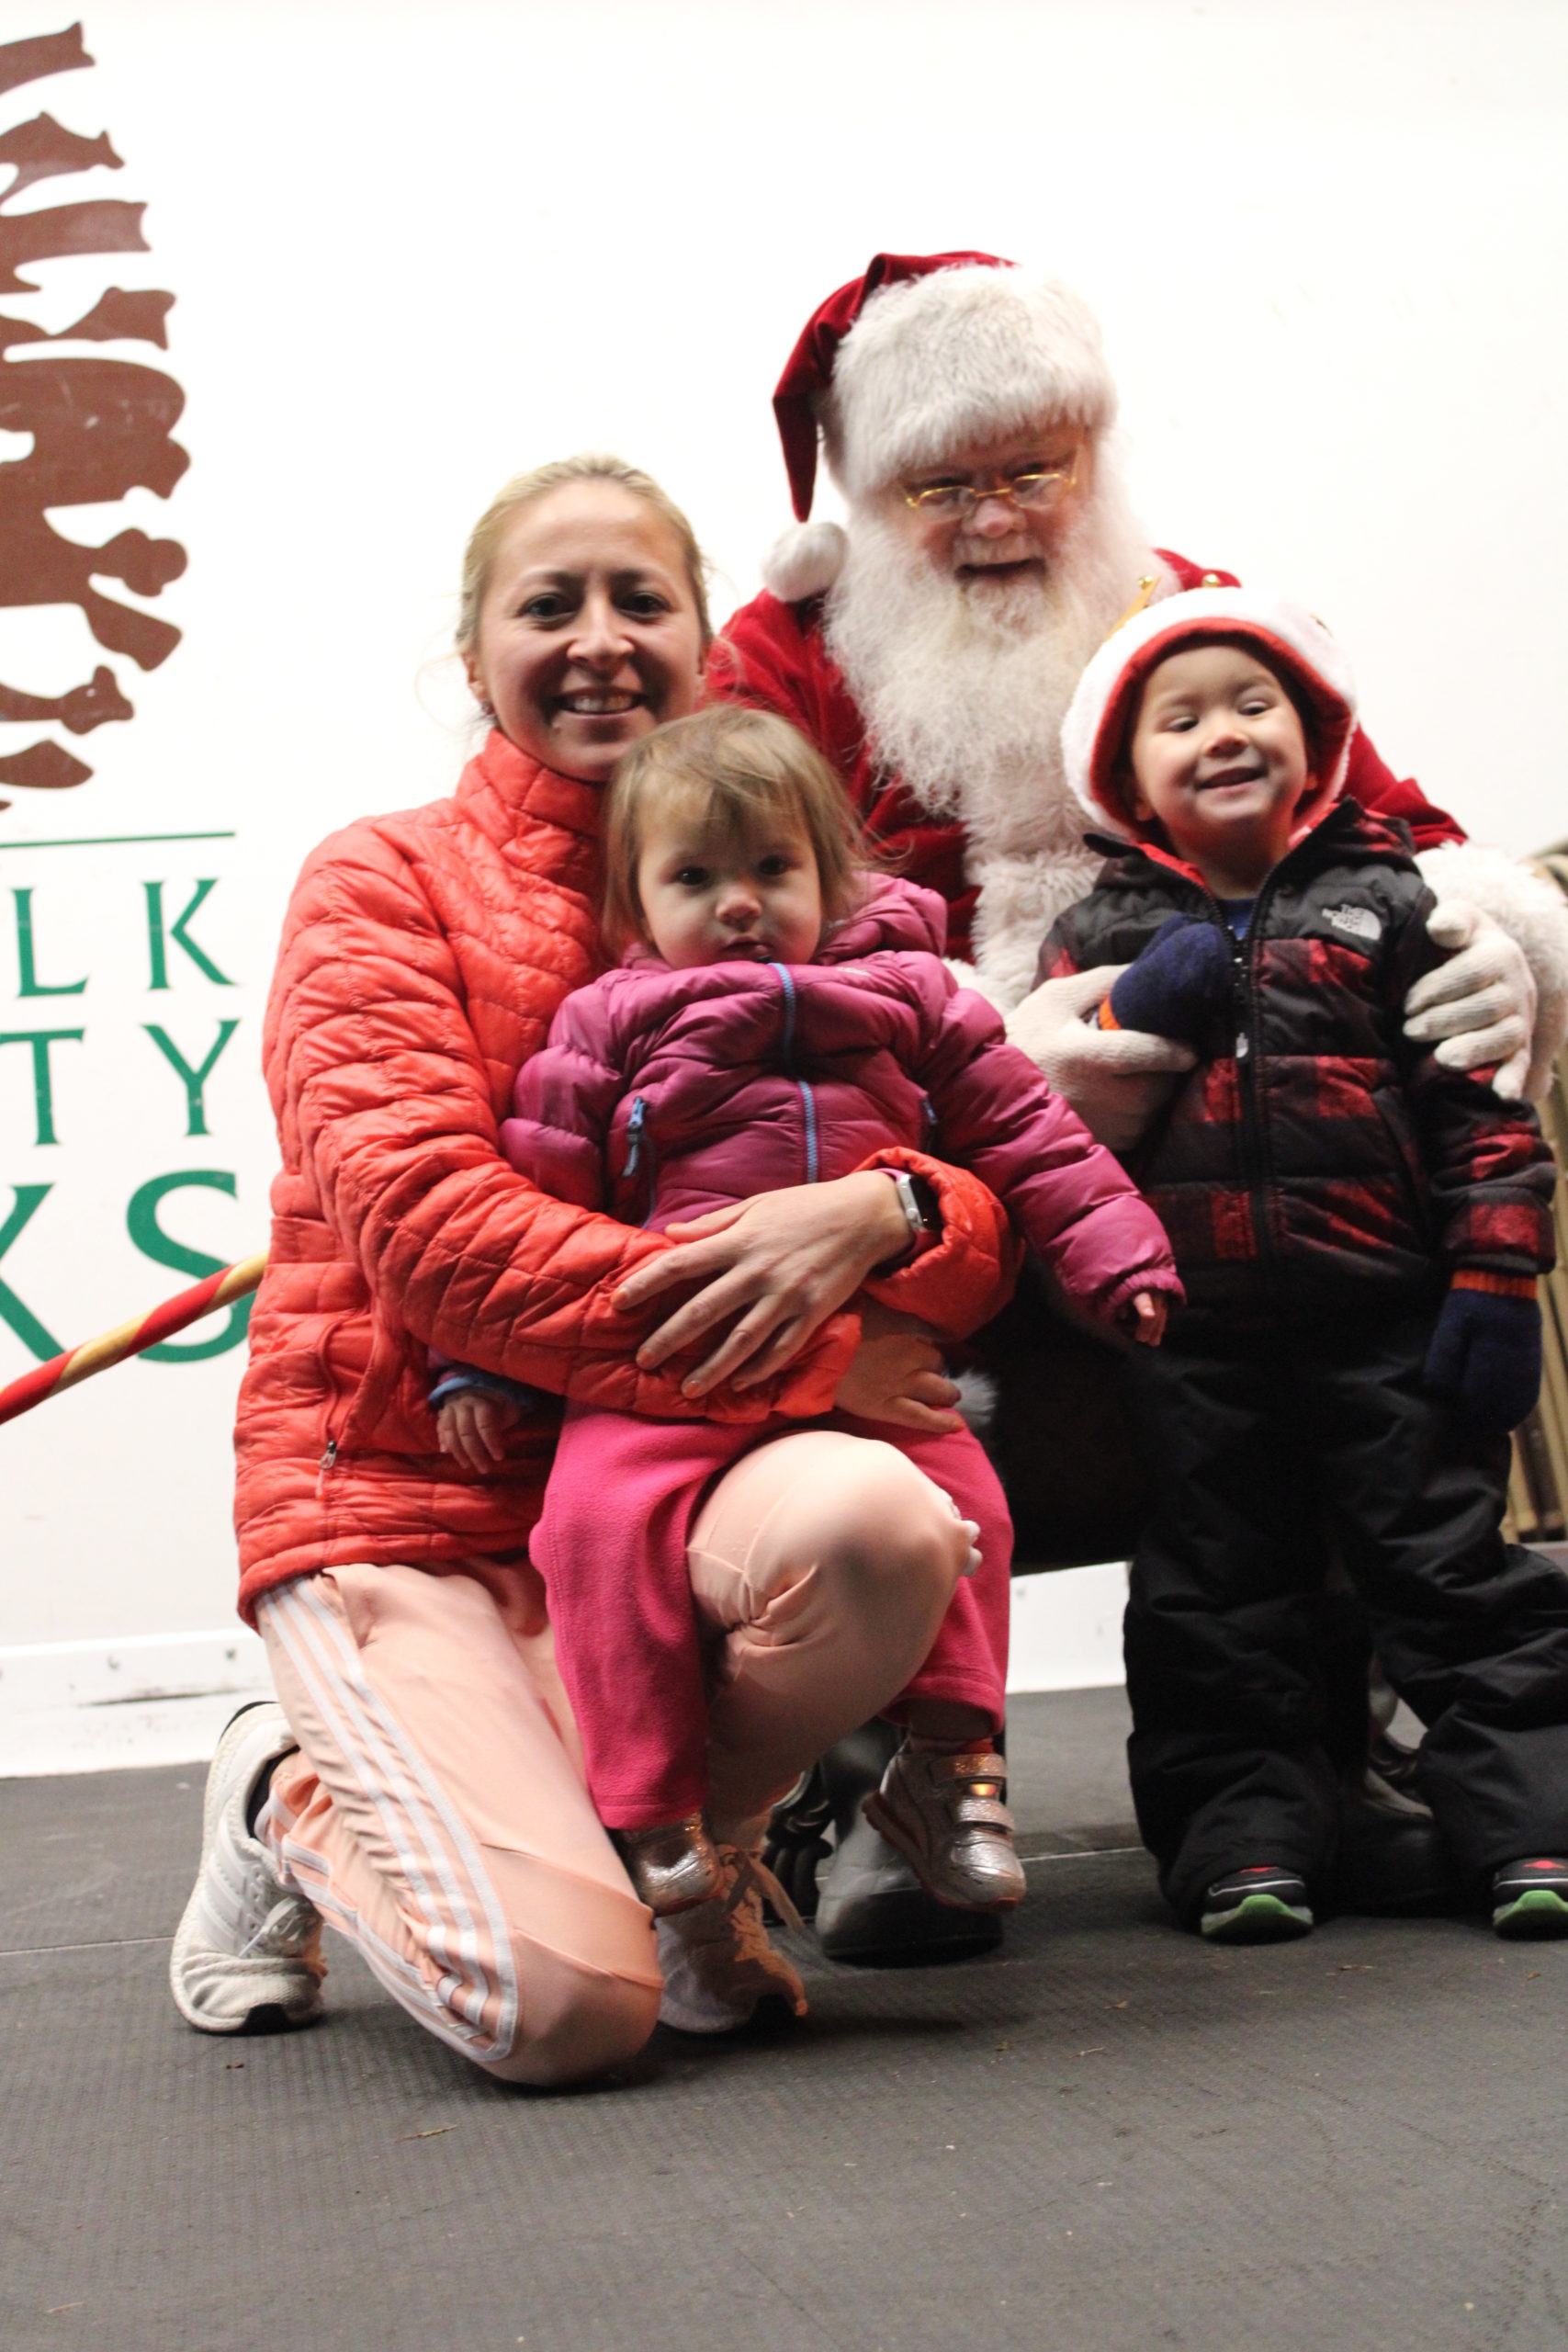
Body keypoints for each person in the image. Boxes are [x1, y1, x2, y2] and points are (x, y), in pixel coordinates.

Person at [705, 249, 1568, 1939]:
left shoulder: (1199, 616)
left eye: (1037, 469)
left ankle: (1375, 1747)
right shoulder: (784, 657)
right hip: (927, 1119)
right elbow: (727, 929)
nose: (999, 517)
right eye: (943, 483)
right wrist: (969, 1043)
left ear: (1092, 459)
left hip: (1250, 1150)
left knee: (1462, 1106)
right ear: (869, 499)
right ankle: (896, 1768)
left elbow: (1397, 835)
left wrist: (1489, 947)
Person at [169, 456, 1023, 2079]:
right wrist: (811, 1360)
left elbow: (997, 1175)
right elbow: (434, 1237)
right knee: (562, 2013)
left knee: (882, 1518)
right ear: (474, 646)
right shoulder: (383, 881)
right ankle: (290, 1789)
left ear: (707, 638)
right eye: (548, 604)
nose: (600, 639)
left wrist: (898, 1211)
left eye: (642, 600)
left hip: (663, 1491)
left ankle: (701, 1855)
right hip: (413, 1501)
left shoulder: (816, 896)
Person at [427, 702, 1181, 1923]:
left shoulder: (917, 1000)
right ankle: (650, 1807)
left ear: (828, 875)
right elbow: (536, 1194)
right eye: (694, 877)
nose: (739, 901)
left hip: (875, 1352)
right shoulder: (603, 1024)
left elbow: (1034, 1142)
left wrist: (1119, 1259)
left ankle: (952, 1770)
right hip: (677, 1353)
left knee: (967, 1501)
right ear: (631, 908)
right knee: (594, 1522)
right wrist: (479, 1373)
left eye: (773, 868)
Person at [1039, 583, 1568, 1943]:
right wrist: (1122, 1009)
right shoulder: (1099, 940)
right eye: (1182, 717)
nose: (1223, 733)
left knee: (1452, 1569)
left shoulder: (1395, 903)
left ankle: (1530, 1831)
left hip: (1386, 1320)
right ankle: (1246, 1846)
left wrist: (1499, 1277)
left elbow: (1484, 1110)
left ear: (1315, 737)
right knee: (1215, 1598)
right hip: (1195, 1341)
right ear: (1129, 776)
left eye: (1253, 703)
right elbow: (1051, 1128)